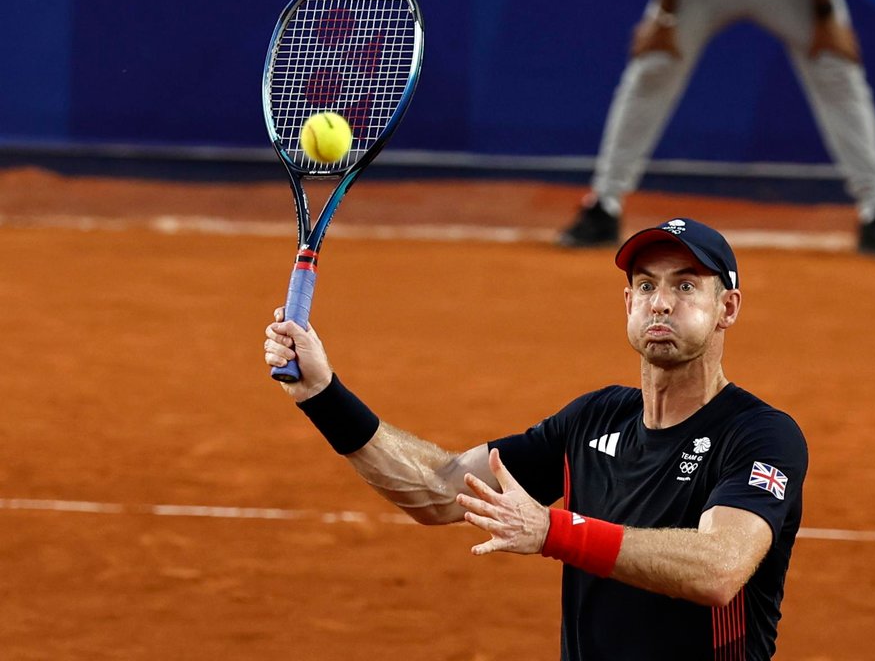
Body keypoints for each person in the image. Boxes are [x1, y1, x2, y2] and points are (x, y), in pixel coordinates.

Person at [263, 217, 809, 660]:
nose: (661, 303)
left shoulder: (761, 435)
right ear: (628, 305)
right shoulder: (594, 419)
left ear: (727, 308)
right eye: (646, 286)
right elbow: (438, 489)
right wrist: (324, 394)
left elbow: (719, 568)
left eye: (685, 285)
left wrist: (553, 529)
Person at [559, 0, 875, 258]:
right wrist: (666, 19)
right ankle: (604, 204)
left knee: (836, 68)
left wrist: (824, 17)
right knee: (653, 67)